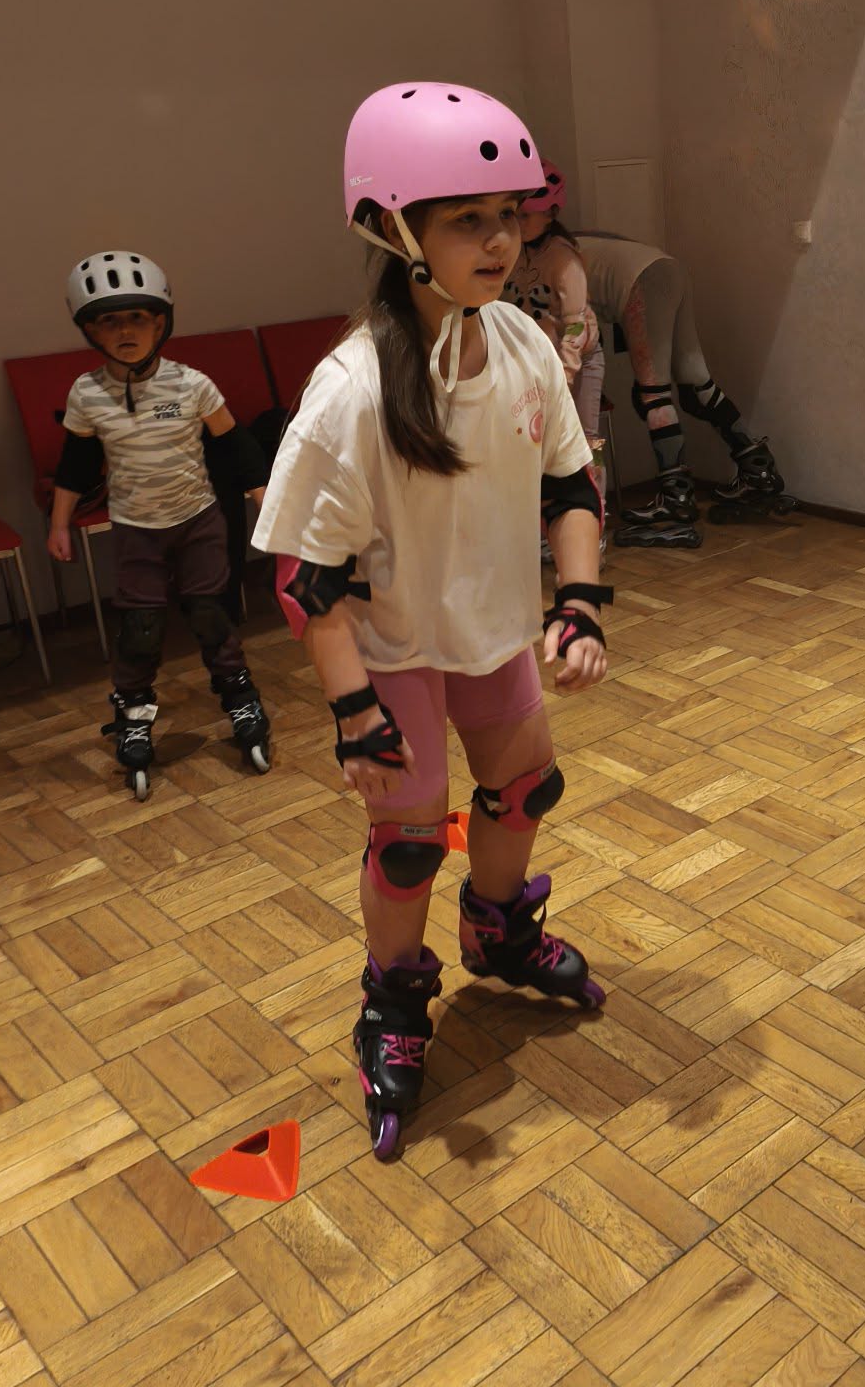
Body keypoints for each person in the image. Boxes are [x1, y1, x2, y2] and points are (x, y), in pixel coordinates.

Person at [251, 84, 611, 1160]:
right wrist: (354, 712)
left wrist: (578, 601)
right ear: (392, 228)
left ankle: (499, 934)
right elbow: (305, 576)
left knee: (526, 790)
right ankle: (395, 1000)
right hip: (392, 648)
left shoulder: (521, 343)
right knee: (409, 846)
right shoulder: (352, 390)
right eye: (468, 220)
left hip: (491, 631)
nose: (502, 240)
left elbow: (571, 484)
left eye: (510, 214)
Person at [48, 251, 272, 798]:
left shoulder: (192, 384)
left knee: (209, 614)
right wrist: (59, 524)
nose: (125, 331)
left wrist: (265, 498)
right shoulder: (86, 394)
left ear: (161, 323)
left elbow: (235, 445)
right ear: (90, 330)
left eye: (137, 318)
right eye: (110, 321)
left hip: (198, 520)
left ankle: (240, 697)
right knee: (141, 626)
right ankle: (132, 711)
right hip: (135, 529)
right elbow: (75, 464)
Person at [577, 231, 795, 546]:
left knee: (653, 395)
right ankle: (758, 467)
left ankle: (675, 496)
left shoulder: (545, 261)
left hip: (641, 281)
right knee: (696, 384)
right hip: (666, 266)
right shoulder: (576, 242)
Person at [504, 164, 608, 559]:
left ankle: (593, 532)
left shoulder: (564, 259)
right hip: (534, 364)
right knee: (536, 448)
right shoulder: (514, 251)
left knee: (585, 443)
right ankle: (545, 532)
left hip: (577, 361)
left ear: (550, 214)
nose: (518, 224)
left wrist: (563, 377)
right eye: (514, 214)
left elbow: (575, 326)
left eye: (526, 216)